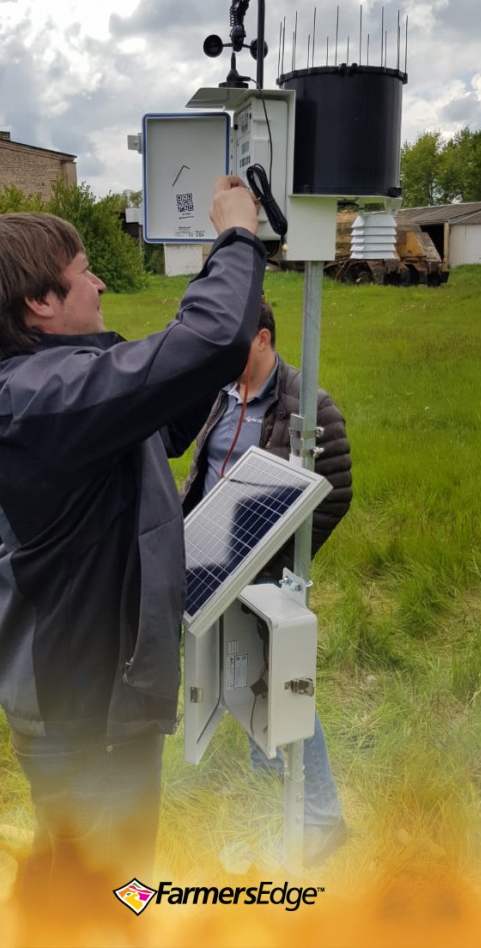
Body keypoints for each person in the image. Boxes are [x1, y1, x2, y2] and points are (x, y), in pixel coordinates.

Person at [0, 176, 266, 931]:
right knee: (110, 902)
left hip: (92, 704)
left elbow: (162, 420)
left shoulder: (59, 389)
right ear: (39, 304)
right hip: (85, 719)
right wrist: (237, 238)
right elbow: (208, 340)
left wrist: (206, 360)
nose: (98, 281)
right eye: (84, 270)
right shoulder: (40, 398)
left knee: (84, 885)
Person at [181, 299, 352, 865]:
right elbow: (206, 471)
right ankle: (270, 771)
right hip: (211, 567)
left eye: (228, 343)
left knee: (284, 680)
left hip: (262, 574)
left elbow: (335, 493)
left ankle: (323, 819)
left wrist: (282, 567)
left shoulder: (310, 404)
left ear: (261, 338)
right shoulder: (222, 393)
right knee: (243, 670)